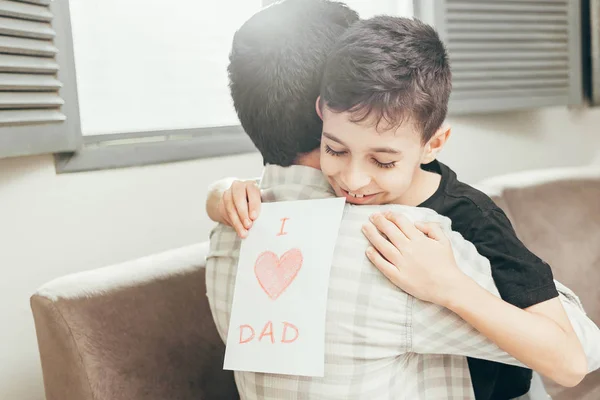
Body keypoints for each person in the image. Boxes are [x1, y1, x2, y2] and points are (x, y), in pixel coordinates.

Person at [206, 2, 600, 399]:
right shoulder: (358, 235)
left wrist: (451, 286)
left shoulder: (229, 234)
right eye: (336, 150)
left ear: (431, 145)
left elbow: (572, 356)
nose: (354, 180)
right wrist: (222, 191)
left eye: (383, 160)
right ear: (324, 108)